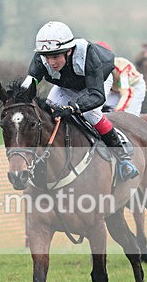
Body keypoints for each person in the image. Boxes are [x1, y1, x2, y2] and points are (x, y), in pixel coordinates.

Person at [22, 21, 139, 181]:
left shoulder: (87, 55)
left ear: (69, 51)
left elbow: (97, 95)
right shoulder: (41, 58)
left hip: (96, 84)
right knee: (49, 113)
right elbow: (29, 85)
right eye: (47, 57)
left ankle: (122, 157)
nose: (51, 62)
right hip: (66, 85)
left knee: (90, 114)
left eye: (55, 56)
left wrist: (72, 108)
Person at [94, 41, 146, 117]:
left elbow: (127, 94)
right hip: (114, 88)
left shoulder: (122, 67)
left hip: (132, 87)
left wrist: (118, 111)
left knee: (128, 115)